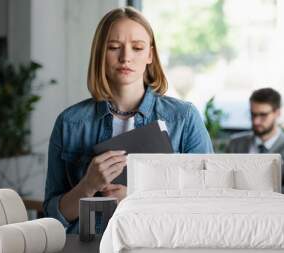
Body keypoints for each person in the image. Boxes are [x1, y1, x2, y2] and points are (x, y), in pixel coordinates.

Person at [43, 7, 213, 233]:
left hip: (158, 251)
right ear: (100, 54)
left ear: (150, 55)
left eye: (137, 47)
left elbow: (208, 201)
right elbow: (53, 218)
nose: (126, 57)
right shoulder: (69, 123)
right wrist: (88, 186)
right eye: (114, 47)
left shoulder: (184, 118)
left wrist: (136, 199)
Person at [226, 88, 284, 197]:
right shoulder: (235, 144)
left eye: (263, 115)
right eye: (253, 114)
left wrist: (258, 194)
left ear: (277, 113)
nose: (256, 121)